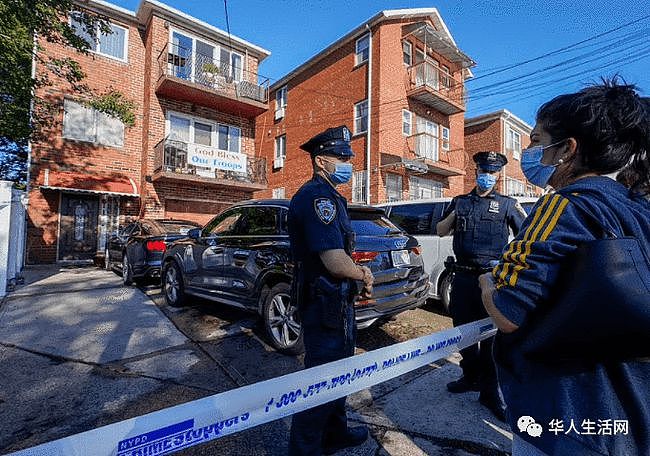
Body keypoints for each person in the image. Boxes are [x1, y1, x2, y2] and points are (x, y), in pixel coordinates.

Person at [479, 79, 650, 455]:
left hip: (565, 414)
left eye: (537, 141)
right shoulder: (636, 208)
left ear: (567, 150)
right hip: (629, 414)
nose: (529, 152)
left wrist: (486, 284)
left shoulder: (562, 207)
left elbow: (509, 314)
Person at [287, 125, 374, 456]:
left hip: (337, 302)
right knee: (321, 380)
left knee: (340, 374)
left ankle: (335, 433)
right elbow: (335, 261)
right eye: (341, 157)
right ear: (321, 161)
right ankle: (304, 450)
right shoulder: (315, 198)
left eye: (348, 157)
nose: (348, 163)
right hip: (324, 302)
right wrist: (362, 272)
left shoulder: (333, 197)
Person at [436, 151, 526, 421]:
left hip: (490, 280)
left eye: (492, 173)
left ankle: (489, 392)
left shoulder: (508, 204)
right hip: (462, 279)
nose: (487, 176)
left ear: (498, 176)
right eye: (483, 171)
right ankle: (469, 376)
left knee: (489, 339)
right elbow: (441, 230)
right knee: (463, 333)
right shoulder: (460, 201)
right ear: (475, 172)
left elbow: (526, 236)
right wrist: (455, 214)